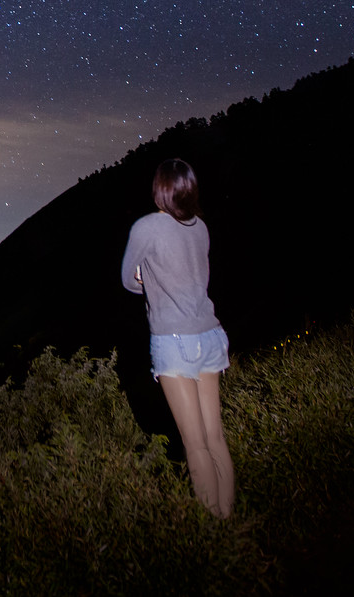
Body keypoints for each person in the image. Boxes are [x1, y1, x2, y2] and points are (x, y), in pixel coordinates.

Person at [121, 157, 235, 517]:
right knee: (215, 436)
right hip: (211, 333)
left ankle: (213, 527)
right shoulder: (200, 227)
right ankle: (229, 517)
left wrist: (145, 280)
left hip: (175, 340)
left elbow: (128, 280)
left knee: (195, 443)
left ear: (160, 189)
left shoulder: (146, 228)